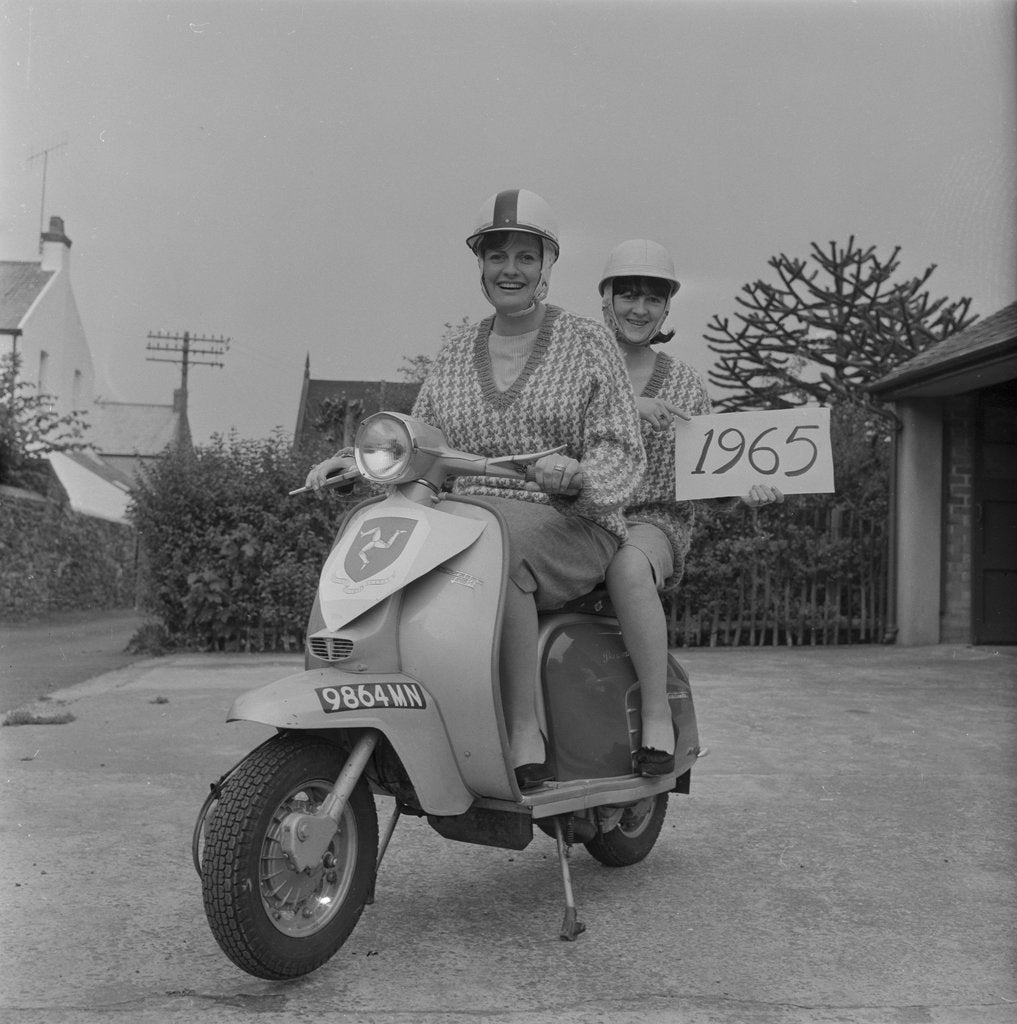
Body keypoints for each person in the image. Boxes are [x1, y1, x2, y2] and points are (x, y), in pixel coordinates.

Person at [306, 190, 646, 790]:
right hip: (467, 514)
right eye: (496, 256)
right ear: (481, 265)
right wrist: (353, 462)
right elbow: (422, 439)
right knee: (368, 528)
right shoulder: (458, 349)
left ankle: (522, 729)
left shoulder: (588, 344)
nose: (509, 269)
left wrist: (577, 477)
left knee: (497, 552)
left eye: (525, 256)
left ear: (547, 265)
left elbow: (621, 451)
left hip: (571, 521)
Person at [599, 239, 782, 776]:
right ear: (605, 298)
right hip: (581, 515)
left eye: (652, 299)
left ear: (667, 309)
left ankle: (656, 714)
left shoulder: (682, 381)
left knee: (629, 566)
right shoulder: (578, 367)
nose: (639, 309)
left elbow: (709, 468)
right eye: (627, 295)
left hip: (650, 519)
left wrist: (745, 490)